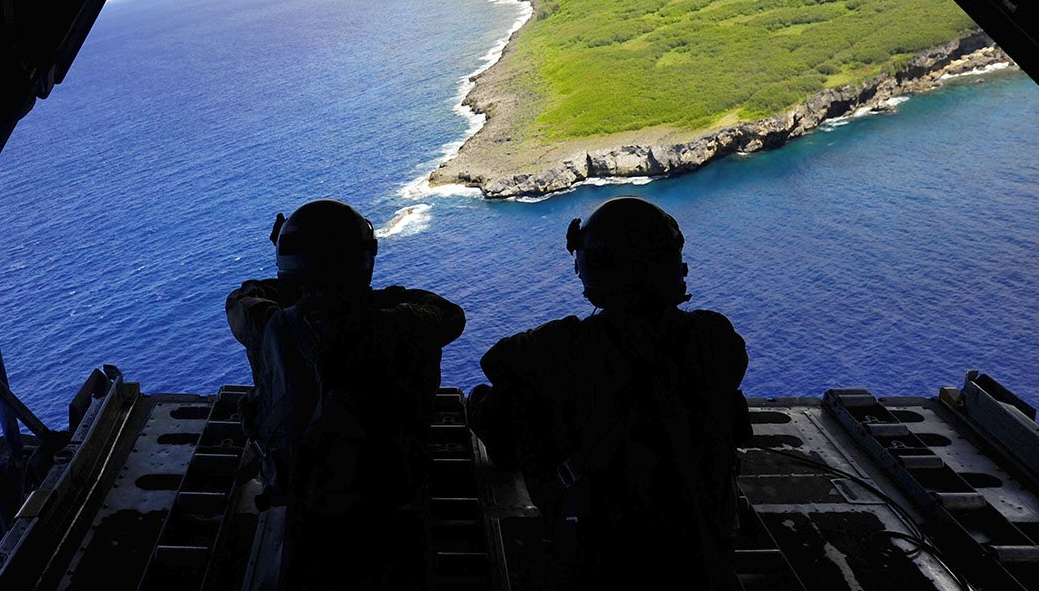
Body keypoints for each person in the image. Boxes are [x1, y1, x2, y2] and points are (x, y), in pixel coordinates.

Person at [467, 196, 750, 590]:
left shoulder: (568, 344)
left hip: (602, 553)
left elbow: (494, 363)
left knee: (501, 398)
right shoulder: (716, 336)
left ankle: (514, 465)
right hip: (703, 543)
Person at [226, 199, 465, 590]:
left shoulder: (264, 324)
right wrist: (367, 297)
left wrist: (292, 277)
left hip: (302, 498)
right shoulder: (404, 324)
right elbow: (448, 313)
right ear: (362, 261)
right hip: (390, 495)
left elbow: (242, 298)